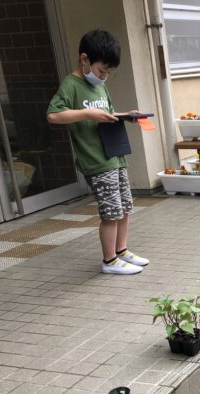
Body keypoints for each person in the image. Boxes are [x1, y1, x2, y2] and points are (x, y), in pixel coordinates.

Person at [46, 29, 149, 275]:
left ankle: (122, 251)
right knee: (111, 212)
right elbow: (53, 115)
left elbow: (107, 116)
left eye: (108, 72)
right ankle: (109, 261)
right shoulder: (71, 85)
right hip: (96, 160)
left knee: (124, 207)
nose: (105, 77)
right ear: (84, 60)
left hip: (114, 155)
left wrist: (126, 116)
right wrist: (87, 113)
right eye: (102, 70)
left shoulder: (100, 86)